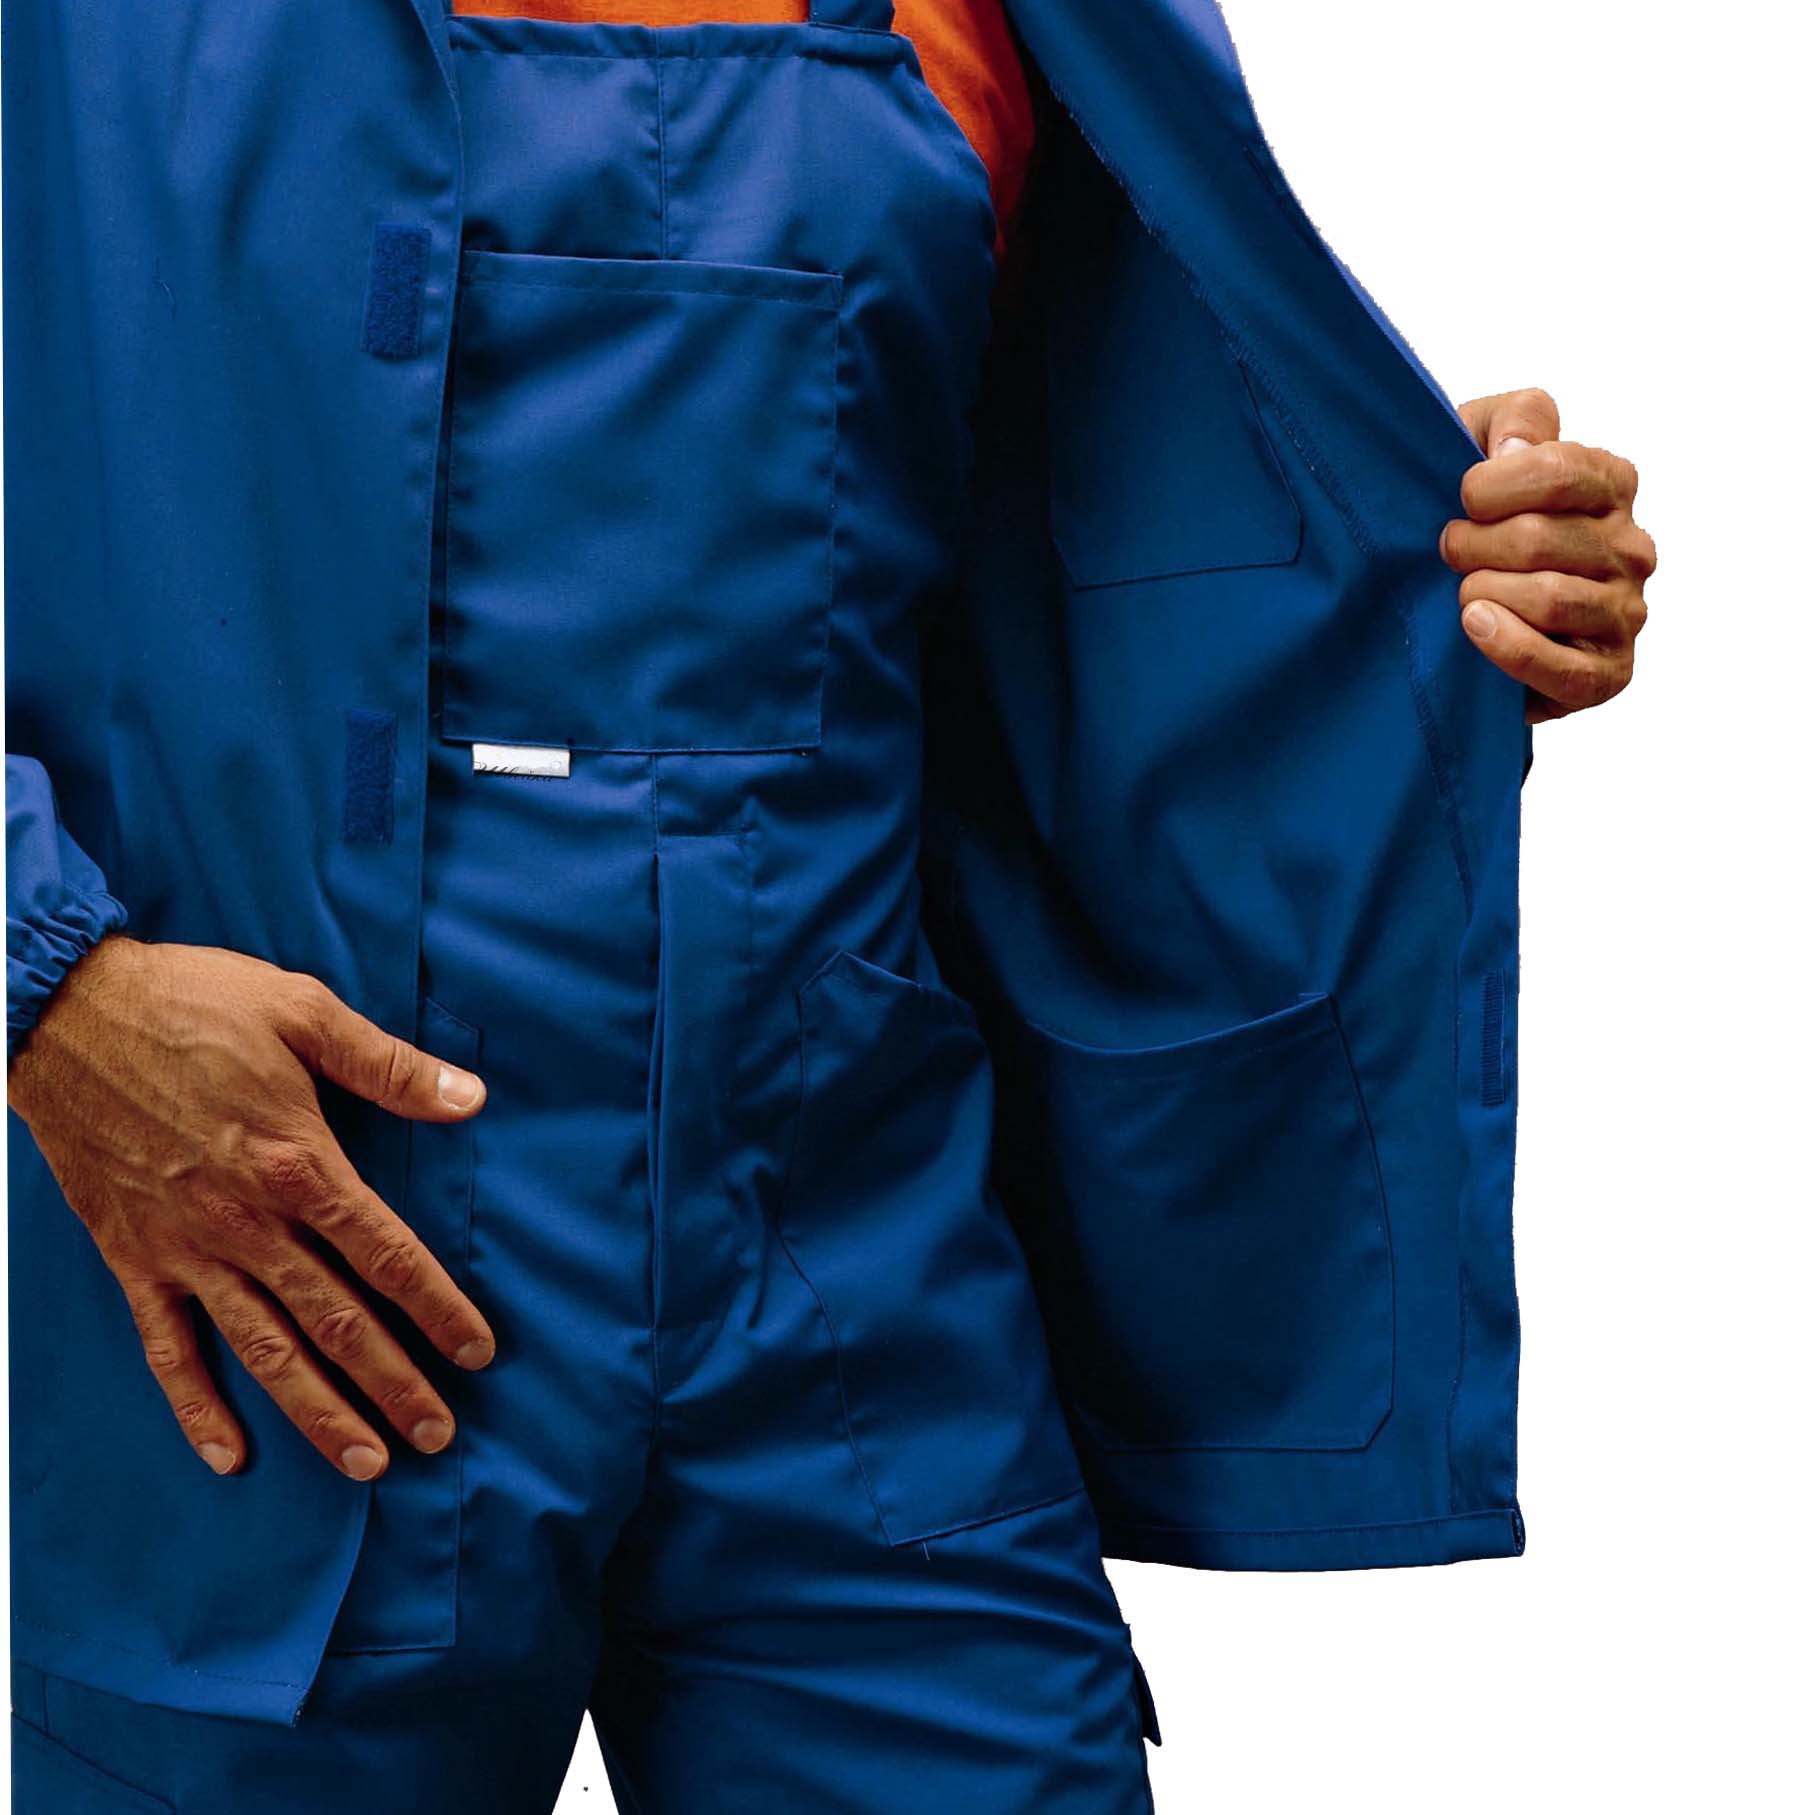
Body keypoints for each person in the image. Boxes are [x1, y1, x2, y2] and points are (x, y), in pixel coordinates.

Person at [5, 2, 1653, 1810]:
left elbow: (1080, 546)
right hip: (281, 1273)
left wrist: (1413, 579)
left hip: (854, 1272)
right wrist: (46, 988)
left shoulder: (1009, 25)